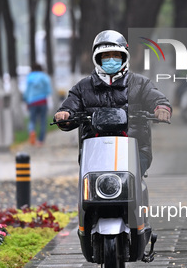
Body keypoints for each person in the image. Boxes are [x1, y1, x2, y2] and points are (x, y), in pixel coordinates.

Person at [54, 30, 171, 175]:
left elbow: (157, 99)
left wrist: (161, 108)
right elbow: (70, 106)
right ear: (97, 58)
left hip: (135, 149)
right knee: (88, 186)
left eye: (116, 55)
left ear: (124, 57)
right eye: (106, 55)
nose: (111, 59)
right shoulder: (82, 87)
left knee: (131, 181)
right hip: (95, 151)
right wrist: (64, 115)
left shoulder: (140, 83)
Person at [24, 64, 52, 146]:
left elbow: (27, 91)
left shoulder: (30, 77)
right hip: (42, 101)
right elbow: (48, 90)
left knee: (32, 120)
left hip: (32, 101)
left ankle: (32, 132)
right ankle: (41, 140)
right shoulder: (44, 77)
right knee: (43, 120)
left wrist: (26, 100)